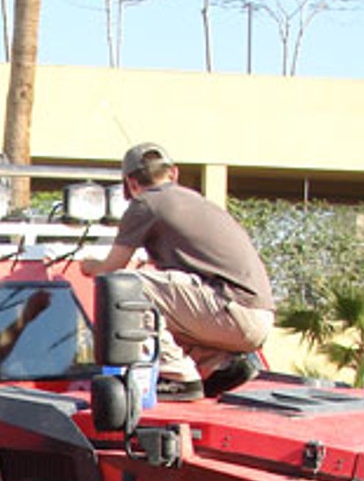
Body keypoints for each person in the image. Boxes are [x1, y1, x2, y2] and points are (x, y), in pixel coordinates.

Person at [80, 141, 276, 400]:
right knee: (157, 315)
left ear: (130, 182)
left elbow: (111, 269)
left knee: (124, 287)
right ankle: (222, 365)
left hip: (232, 311)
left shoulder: (146, 203)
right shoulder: (197, 201)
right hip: (255, 315)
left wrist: (88, 265)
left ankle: (177, 376)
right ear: (173, 173)